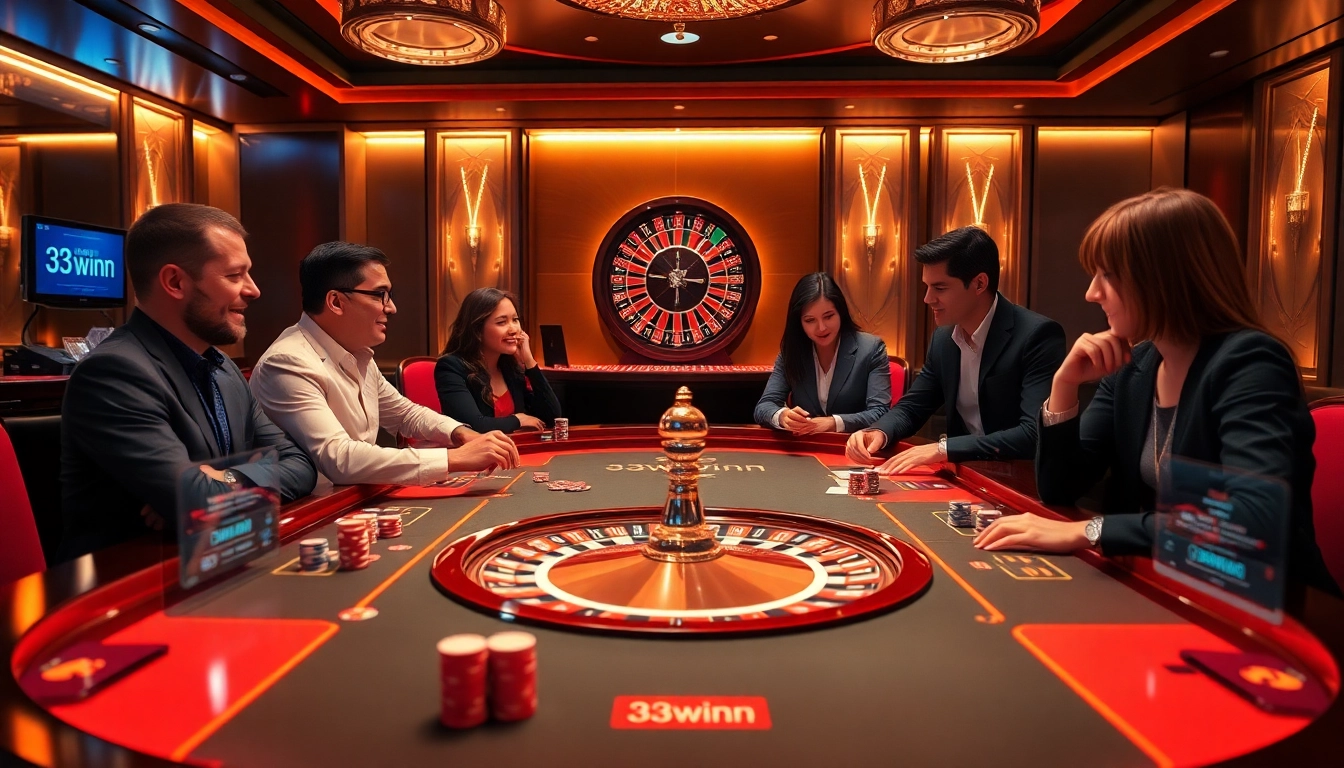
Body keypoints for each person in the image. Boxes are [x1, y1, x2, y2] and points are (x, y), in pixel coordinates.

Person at [974, 188, 1338, 596]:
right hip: (1165, 579)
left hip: (1260, 604)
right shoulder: (1137, 365)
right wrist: (1064, 386)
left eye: (1107, 275)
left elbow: (1250, 519)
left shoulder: (1251, 363)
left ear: (1165, 277)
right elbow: (1059, 489)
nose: (1092, 293)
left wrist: (1092, 530)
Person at [59, 204, 317, 560]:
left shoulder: (223, 366)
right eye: (233, 276)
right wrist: (204, 493)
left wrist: (218, 481)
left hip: (217, 558)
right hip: (133, 581)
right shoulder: (113, 372)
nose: (254, 290)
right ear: (175, 282)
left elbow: (300, 466)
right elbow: (193, 499)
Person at [250, 243, 520, 488]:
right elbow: (340, 460)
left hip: (356, 497)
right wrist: (454, 459)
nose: (391, 308)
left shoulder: (357, 354)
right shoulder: (287, 362)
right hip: (313, 512)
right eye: (380, 295)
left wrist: (461, 433)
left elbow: (405, 414)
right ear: (335, 302)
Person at [846, 226, 1065, 472]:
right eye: (926, 287)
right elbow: (912, 407)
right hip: (966, 475)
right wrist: (878, 431)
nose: (928, 299)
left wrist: (944, 449)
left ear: (980, 283)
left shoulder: (1037, 335)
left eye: (940, 288)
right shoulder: (943, 339)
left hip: (1019, 479)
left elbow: (1031, 434)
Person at [754, 272, 890, 434]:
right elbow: (764, 407)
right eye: (810, 320)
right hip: (806, 448)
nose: (821, 328)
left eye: (828, 316)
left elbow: (881, 412)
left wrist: (833, 423)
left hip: (854, 447)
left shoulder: (871, 349)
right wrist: (782, 416)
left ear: (841, 312)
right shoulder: (792, 351)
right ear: (799, 322)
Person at [435, 287, 561, 434]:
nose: (513, 329)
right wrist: (518, 420)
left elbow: (552, 417)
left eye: (515, 320)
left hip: (516, 451)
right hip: (474, 453)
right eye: (502, 322)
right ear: (477, 330)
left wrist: (529, 361)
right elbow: (473, 425)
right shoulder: (451, 367)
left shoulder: (510, 367)